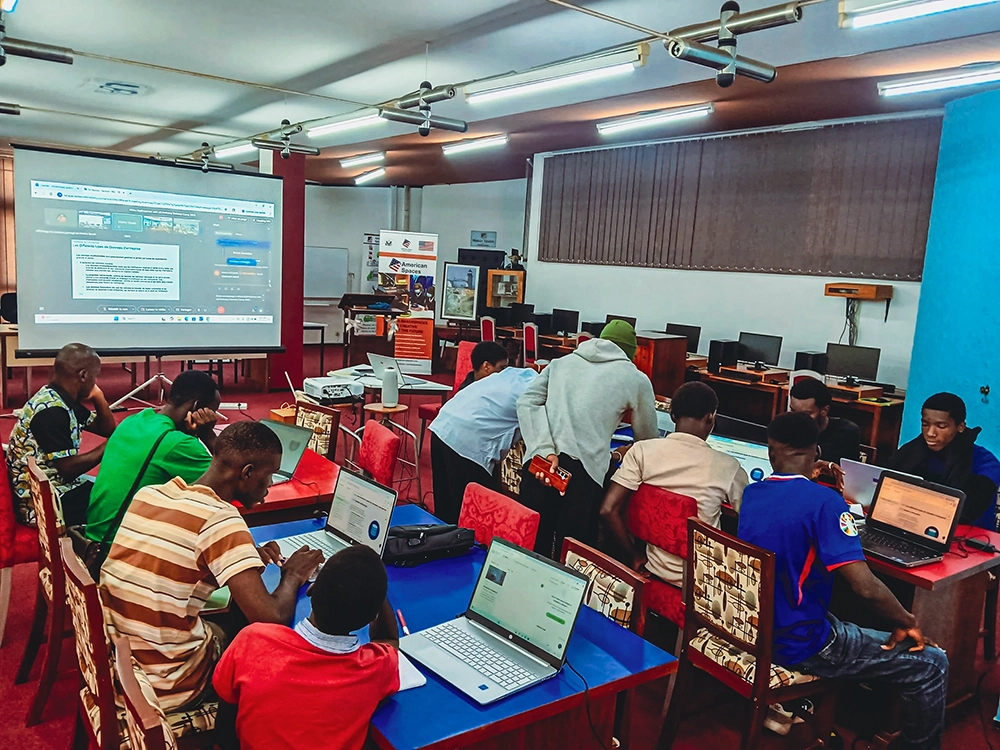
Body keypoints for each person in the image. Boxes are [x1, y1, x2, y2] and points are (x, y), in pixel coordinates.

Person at [739, 412, 948, 750]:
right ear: (816, 451)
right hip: (802, 643)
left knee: (848, 616)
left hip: (758, 626)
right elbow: (865, 587)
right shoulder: (825, 503)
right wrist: (907, 621)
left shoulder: (753, 494)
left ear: (771, 452)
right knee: (933, 663)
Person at [100, 421, 324, 711]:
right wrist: (292, 575)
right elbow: (271, 618)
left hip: (119, 663)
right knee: (255, 639)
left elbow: (177, 554)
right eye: (268, 476)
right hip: (167, 683)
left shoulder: (151, 494)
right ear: (247, 473)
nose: (269, 485)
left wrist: (244, 554)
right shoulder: (222, 520)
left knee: (228, 616)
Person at [213, 546, 399, 750]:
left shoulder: (251, 640)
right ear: (373, 616)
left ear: (312, 590)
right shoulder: (375, 668)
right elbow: (387, 638)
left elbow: (224, 735)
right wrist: (377, 592)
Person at [517, 319, 657, 557]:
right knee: (572, 556)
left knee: (530, 547)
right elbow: (648, 440)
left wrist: (544, 448)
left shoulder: (561, 363)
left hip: (541, 465)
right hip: (583, 475)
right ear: (630, 353)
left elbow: (527, 401)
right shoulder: (636, 378)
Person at [600, 382, 748, 583]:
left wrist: (634, 555)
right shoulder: (728, 466)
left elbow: (608, 509)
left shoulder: (641, 451)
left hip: (652, 571)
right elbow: (749, 519)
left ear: (671, 415)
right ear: (711, 418)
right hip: (703, 584)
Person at [86, 370, 222, 547]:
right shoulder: (179, 444)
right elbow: (231, 481)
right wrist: (207, 434)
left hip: (95, 541)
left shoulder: (134, 420)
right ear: (196, 407)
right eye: (213, 412)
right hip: (122, 552)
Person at [6, 343, 116, 526]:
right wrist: (112, 444)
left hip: (51, 489)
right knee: (116, 499)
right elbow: (68, 470)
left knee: (107, 488)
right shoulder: (51, 412)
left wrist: (98, 396)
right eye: (95, 377)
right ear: (83, 375)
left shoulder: (58, 398)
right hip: (42, 504)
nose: (95, 382)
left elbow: (106, 429)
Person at [430, 367, 537, 523]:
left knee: (444, 508)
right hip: (468, 443)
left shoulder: (515, 373)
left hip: (442, 425)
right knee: (468, 516)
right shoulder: (536, 393)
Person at [890, 392, 1000, 528]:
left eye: (941, 426)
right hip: (913, 526)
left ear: (960, 426)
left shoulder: (986, 463)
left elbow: (969, 509)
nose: (930, 433)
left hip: (971, 538)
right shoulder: (911, 453)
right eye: (925, 424)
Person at [788, 377, 860, 485]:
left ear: (824, 411)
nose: (798, 419)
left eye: (806, 414)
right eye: (793, 411)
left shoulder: (845, 433)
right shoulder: (786, 428)